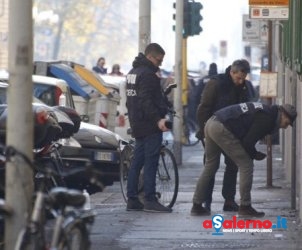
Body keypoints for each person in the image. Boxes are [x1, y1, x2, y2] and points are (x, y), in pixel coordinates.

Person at [191, 102, 297, 217]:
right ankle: (245, 206)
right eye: (287, 123)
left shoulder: (265, 111)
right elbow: (247, 143)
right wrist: (255, 154)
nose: (285, 127)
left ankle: (196, 205)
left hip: (211, 123)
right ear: (283, 115)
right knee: (246, 164)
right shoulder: (267, 119)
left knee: (210, 166)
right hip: (221, 128)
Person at [194, 59, 252, 213]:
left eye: (243, 78)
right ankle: (205, 201)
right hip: (214, 130)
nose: (240, 82)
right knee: (211, 166)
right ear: (232, 72)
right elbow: (203, 108)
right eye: (238, 78)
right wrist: (204, 130)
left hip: (232, 133)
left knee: (232, 166)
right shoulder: (216, 84)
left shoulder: (244, 88)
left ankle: (229, 200)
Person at [125, 43, 172, 213]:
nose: (160, 64)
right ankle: (150, 199)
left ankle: (132, 199)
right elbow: (146, 100)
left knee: (137, 161)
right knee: (151, 161)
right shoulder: (148, 75)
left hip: (137, 123)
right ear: (151, 57)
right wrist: (158, 119)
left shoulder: (132, 73)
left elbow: (131, 100)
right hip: (149, 124)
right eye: (159, 60)